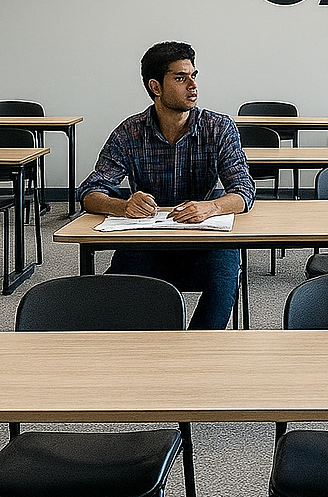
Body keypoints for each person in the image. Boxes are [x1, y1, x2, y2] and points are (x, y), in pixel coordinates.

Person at [78, 41, 256, 329]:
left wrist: (211, 207)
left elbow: (244, 191)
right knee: (115, 291)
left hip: (205, 240)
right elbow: (90, 192)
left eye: (193, 76)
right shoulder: (130, 132)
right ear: (156, 87)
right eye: (180, 78)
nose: (193, 86)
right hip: (147, 241)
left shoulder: (218, 127)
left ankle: (197, 347)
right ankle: (150, 346)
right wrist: (123, 206)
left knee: (224, 276)